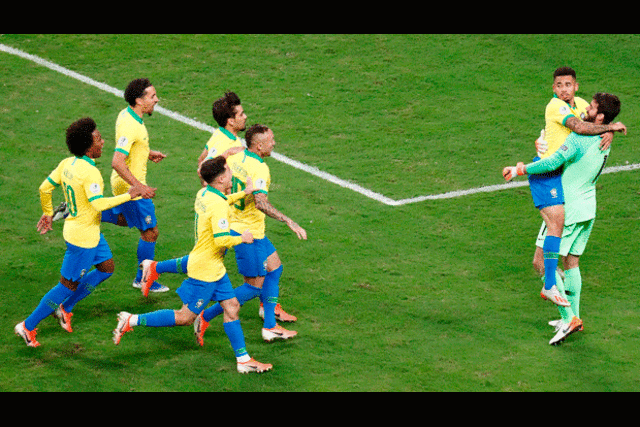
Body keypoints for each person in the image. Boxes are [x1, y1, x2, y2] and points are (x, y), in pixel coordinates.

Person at [14, 118, 148, 347]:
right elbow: (97, 204)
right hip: (82, 239)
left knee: (106, 268)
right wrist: (131, 194)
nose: (103, 142)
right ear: (88, 147)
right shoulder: (90, 173)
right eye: (98, 139)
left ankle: (66, 308)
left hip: (89, 232)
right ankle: (27, 326)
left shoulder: (67, 163)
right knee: (66, 285)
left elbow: (44, 188)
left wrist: (48, 213)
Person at [504, 92, 623, 345]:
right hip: (588, 208)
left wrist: (520, 169)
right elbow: (583, 121)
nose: (585, 108)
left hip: (566, 208)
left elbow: (553, 162)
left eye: (591, 107)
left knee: (540, 262)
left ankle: (568, 317)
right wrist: (610, 128)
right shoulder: (604, 137)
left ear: (600, 116)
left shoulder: (582, 137)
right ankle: (575, 318)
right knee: (572, 264)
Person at [193, 124, 307, 344]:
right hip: (248, 233)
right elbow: (261, 203)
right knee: (253, 287)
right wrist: (289, 221)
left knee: (275, 268)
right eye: (271, 140)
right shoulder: (260, 169)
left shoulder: (235, 159)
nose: (274, 143)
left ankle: (270, 323)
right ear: (259, 145)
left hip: (244, 226)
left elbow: (204, 170)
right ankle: (205, 316)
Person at [100, 78, 168, 294]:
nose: (156, 100)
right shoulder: (131, 125)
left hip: (122, 183)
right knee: (150, 231)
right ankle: (143, 278)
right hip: (131, 186)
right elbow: (117, 161)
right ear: (139, 100)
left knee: (129, 219)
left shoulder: (127, 114)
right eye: (152, 96)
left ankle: (89, 211)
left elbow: (128, 147)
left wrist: (146, 153)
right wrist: (140, 187)